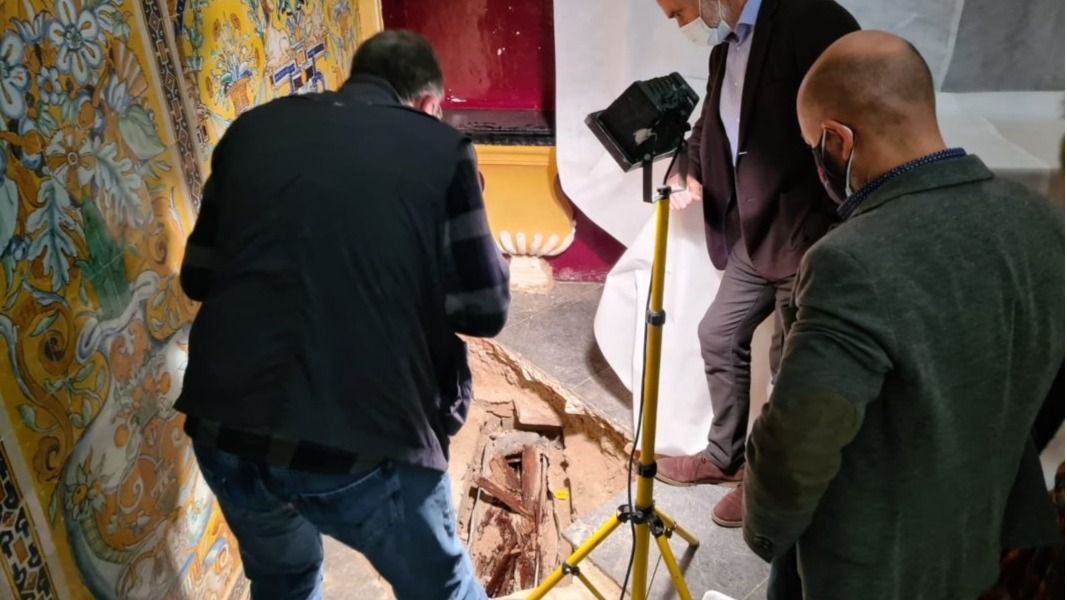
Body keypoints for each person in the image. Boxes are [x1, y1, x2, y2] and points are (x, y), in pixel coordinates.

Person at [175, 30, 509, 600]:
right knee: (444, 591)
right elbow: (484, 311)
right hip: (364, 445)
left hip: (224, 431)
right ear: (429, 103)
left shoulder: (251, 131)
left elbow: (197, 278)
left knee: (284, 580)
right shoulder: (442, 150)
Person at [743, 30, 1064, 600]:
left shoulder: (850, 261)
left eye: (813, 147)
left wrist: (765, 529)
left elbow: (796, 449)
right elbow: (1051, 386)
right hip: (982, 539)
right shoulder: (1040, 220)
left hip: (868, 568)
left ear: (837, 140)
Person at [653, 0, 859, 528]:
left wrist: (834, 220)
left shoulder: (810, 21)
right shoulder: (726, 44)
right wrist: (687, 166)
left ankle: (767, 481)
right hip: (757, 226)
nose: (679, 24)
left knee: (789, 365)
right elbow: (713, 120)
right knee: (718, 335)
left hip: (809, 231)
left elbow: (850, 124)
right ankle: (726, 458)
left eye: (678, 11)